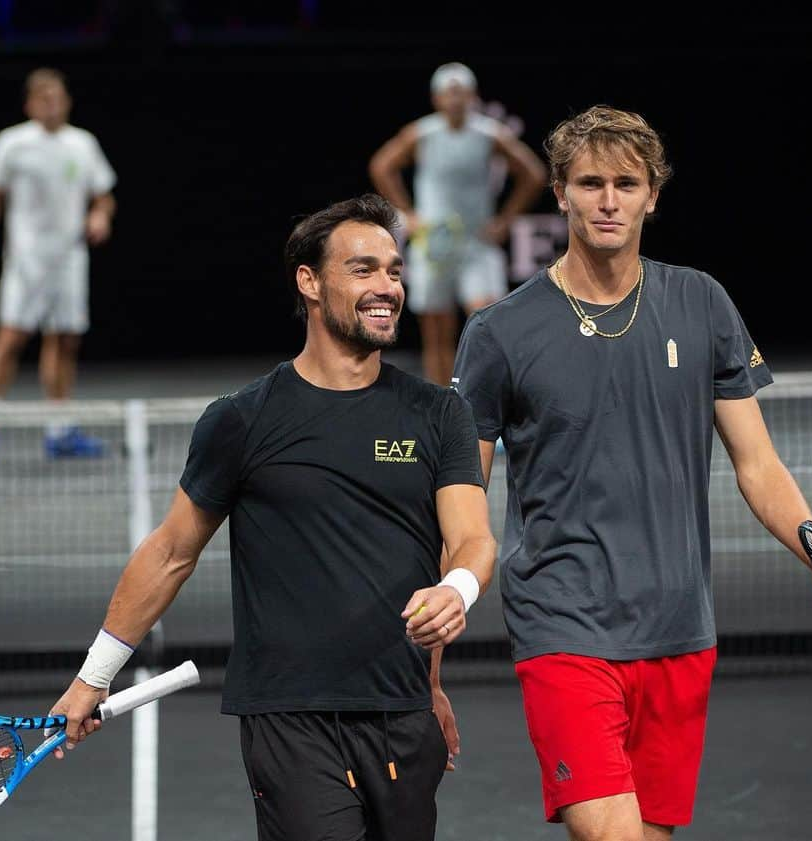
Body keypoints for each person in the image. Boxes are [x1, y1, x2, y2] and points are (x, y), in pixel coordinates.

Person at [451, 105, 812, 840]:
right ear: (562, 195)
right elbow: (459, 500)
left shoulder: (702, 302)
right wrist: (431, 643)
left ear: (652, 196)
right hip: (563, 624)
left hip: (679, 628)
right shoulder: (498, 333)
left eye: (627, 183)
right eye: (591, 182)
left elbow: (758, 466)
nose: (609, 199)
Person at [48, 194, 498, 841]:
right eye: (364, 269)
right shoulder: (242, 419)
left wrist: (455, 593)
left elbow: (472, 539)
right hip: (291, 720)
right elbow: (172, 550)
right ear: (309, 282)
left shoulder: (438, 414)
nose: (387, 288)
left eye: (395, 271)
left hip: (403, 714)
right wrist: (93, 675)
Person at [0, 67, 117, 457]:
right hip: (26, 260)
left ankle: (60, 429)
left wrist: (100, 216)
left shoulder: (83, 143)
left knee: (65, 340)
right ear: (30, 104)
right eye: (44, 98)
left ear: (67, 101)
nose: (52, 104)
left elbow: (103, 194)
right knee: (12, 336)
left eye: (58, 97)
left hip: (69, 260)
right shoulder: (11, 143)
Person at [368, 61, 546, 387]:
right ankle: (441, 402)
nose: (455, 100)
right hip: (434, 246)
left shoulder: (489, 133)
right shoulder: (422, 133)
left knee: (487, 322)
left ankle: (485, 397)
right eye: (448, 94)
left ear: (473, 96)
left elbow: (533, 174)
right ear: (436, 98)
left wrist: (505, 219)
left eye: (461, 93)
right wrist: (406, 212)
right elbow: (382, 165)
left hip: (476, 243)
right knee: (437, 330)